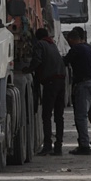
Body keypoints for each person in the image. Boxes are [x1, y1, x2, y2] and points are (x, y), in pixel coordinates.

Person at [63, 27, 91, 154]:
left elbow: (64, 62)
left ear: (71, 39)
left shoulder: (75, 49)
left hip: (84, 84)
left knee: (81, 116)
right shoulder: (89, 47)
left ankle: (84, 145)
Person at [32, 27, 66, 155]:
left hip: (51, 83)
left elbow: (37, 60)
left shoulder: (41, 44)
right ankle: (58, 146)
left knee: (46, 115)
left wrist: (29, 69)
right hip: (61, 82)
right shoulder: (53, 45)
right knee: (59, 116)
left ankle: (47, 145)